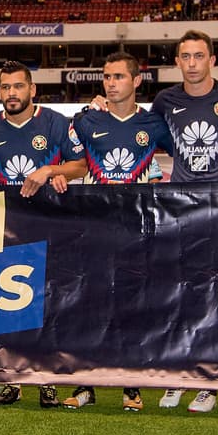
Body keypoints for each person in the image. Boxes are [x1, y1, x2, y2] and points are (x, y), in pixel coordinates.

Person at [146, 30, 218, 414]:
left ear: (212, 60)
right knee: (183, 298)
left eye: (198, 56)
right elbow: (141, 136)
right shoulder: (165, 101)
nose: (192, 63)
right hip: (181, 211)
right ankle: (182, 375)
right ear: (177, 62)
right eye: (185, 57)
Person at [0, 60, 87, 408]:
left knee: (47, 303)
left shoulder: (56, 123)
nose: (11, 93)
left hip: (50, 223)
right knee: (9, 303)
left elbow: (81, 166)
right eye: (5, 87)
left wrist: (50, 169)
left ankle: (46, 379)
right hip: (7, 227)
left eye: (18, 86)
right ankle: (13, 378)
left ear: (32, 89)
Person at [66, 51, 174, 412]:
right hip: (94, 227)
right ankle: (85, 385)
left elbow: (189, 157)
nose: (111, 83)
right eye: (107, 77)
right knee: (90, 305)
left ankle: (131, 386)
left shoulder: (154, 124)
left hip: (137, 229)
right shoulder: (86, 121)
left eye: (119, 77)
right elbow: (72, 162)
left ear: (136, 81)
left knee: (132, 308)